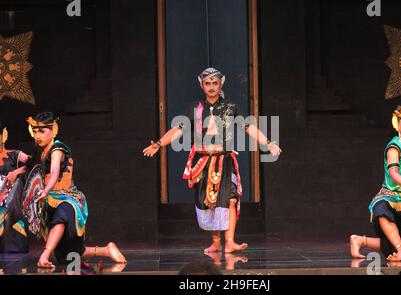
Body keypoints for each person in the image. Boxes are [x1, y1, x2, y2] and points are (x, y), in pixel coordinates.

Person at [144, 68, 281, 253]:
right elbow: (177, 129)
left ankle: (230, 242)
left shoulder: (230, 107)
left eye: (215, 83)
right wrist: (159, 144)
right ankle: (216, 242)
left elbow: (248, 127)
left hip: (225, 160)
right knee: (209, 202)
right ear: (201, 85)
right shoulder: (195, 108)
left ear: (220, 84)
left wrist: (268, 143)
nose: (211, 87)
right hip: (202, 162)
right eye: (207, 83)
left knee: (231, 198)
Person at [27, 112, 126, 268]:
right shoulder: (43, 150)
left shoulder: (57, 149)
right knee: (68, 256)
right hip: (51, 199)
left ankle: (43, 256)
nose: (37, 135)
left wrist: (45, 191)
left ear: (53, 130)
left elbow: (54, 173)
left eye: (42, 131)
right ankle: (106, 250)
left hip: (67, 198)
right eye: (35, 131)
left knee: (62, 216)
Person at [349, 103, 401, 262]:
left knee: (392, 244)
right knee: (382, 212)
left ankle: (359, 240)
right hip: (390, 197)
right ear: (397, 123)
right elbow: (394, 173)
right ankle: (400, 250)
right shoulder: (394, 147)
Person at [0, 123, 30, 253]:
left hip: (10, 201)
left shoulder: (13, 154)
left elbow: (33, 163)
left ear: (3, 136)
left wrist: (15, 172)